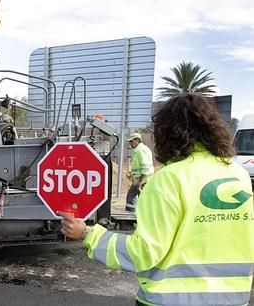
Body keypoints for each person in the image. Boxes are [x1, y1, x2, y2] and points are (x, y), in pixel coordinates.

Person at [60, 94, 254, 306]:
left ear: (167, 132)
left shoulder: (170, 178)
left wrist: (88, 234)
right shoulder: (238, 173)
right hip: (234, 300)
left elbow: (143, 253)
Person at [125, 132, 154, 212]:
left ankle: (131, 216)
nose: (130, 144)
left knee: (131, 197)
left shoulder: (140, 150)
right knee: (143, 200)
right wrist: (132, 174)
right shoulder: (143, 149)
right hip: (142, 180)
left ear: (137, 140)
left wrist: (140, 181)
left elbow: (145, 168)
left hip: (142, 181)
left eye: (131, 141)